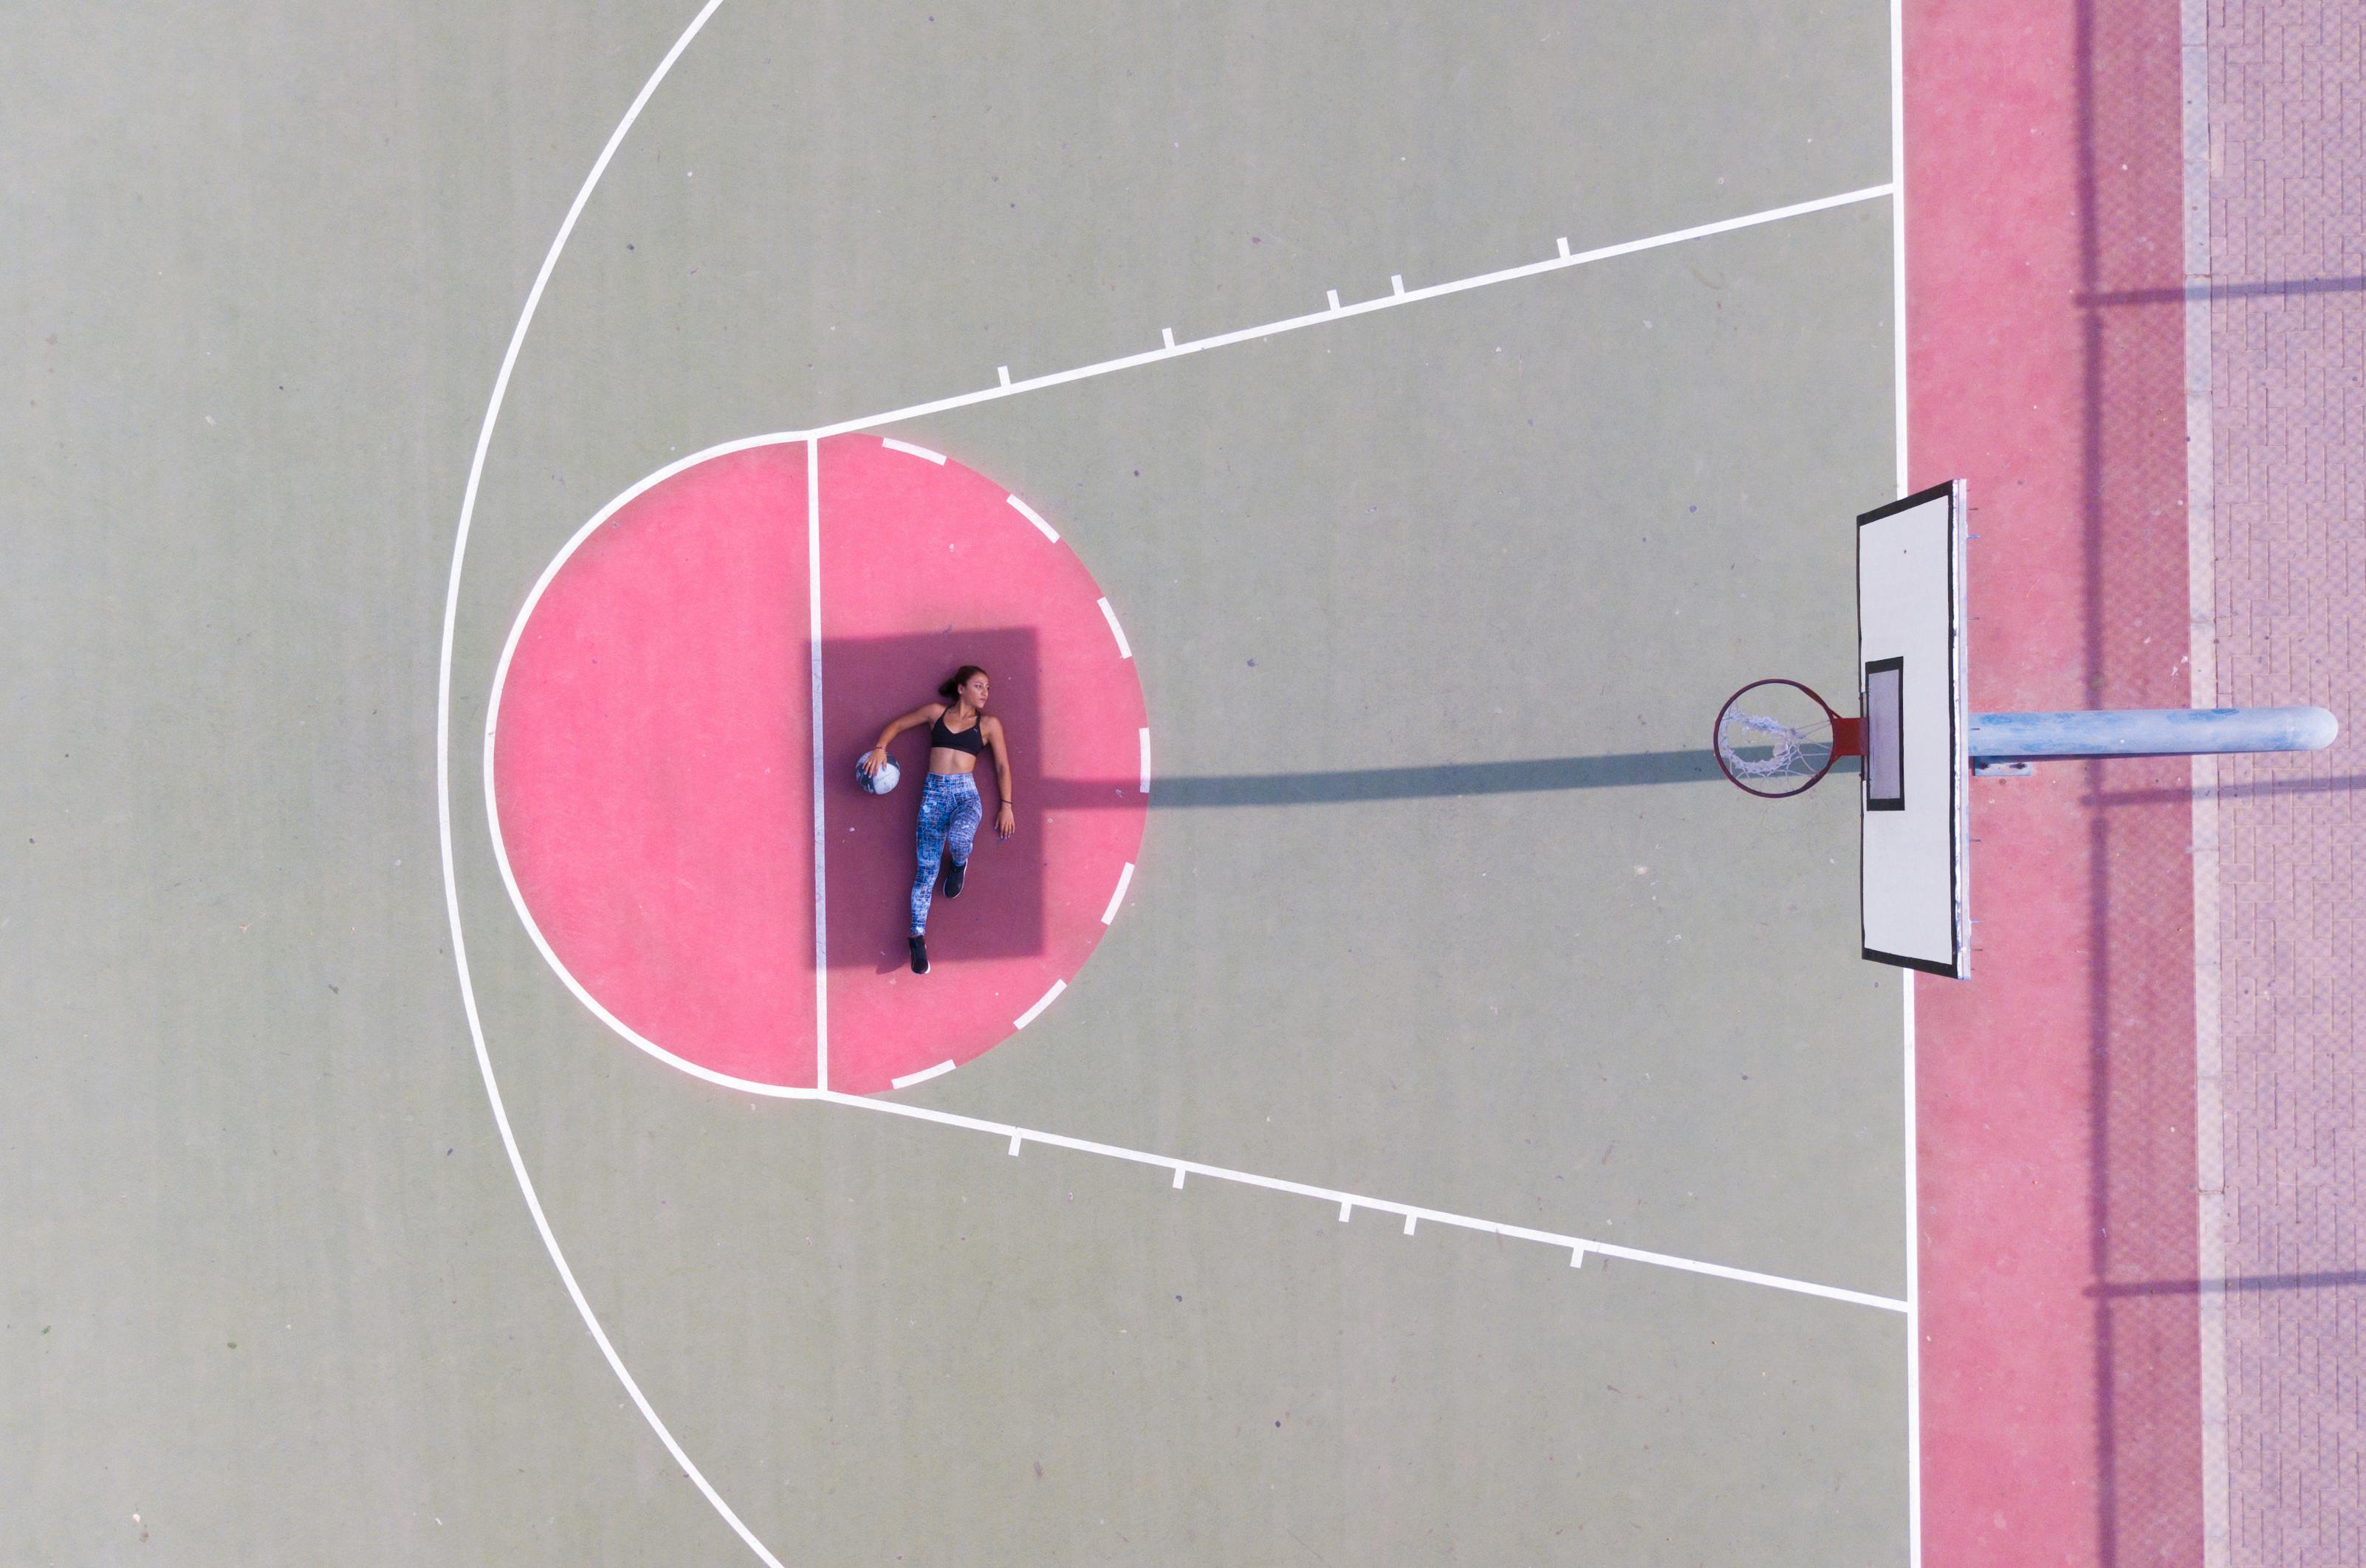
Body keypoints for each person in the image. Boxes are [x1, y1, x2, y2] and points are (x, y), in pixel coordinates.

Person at [859, 665, 1015, 974]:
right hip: (933, 798)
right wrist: (880, 748)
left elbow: (1002, 767)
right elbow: (899, 724)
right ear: (961, 689)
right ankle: (917, 938)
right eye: (979, 686)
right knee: (926, 870)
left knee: (960, 838)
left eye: (988, 688)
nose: (985, 692)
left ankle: (959, 862)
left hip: (965, 797)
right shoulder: (935, 713)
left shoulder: (989, 724)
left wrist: (1006, 805)